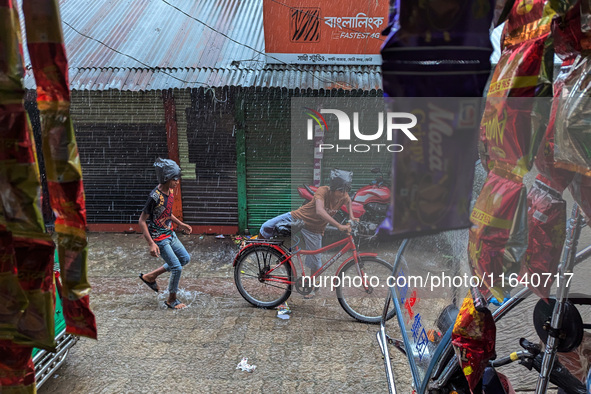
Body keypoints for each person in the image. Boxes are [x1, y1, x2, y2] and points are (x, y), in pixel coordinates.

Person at [259, 169, 358, 296]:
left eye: (346, 190)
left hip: (315, 229)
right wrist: (339, 225)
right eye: (341, 190)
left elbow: (349, 201)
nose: (343, 193)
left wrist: (352, 217)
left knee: (316, 264)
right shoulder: (323, 191)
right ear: (333, 188)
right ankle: (261, 254)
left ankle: (309, 284)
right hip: (298, 218)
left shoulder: (344, 195)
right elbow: (320, 211)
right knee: (266, 226)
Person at [138, 158, 192, 310]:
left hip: (170, 233)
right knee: (177, 267)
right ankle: (171, 300)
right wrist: (151, 243)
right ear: (167, 179)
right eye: (175, 179)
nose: (178, 182)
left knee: (184, 259)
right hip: (159, 239)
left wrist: (180, 224)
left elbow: (166, 213)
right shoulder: (154, 196)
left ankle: (151, 276)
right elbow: (142, 221)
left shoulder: (171, 191)